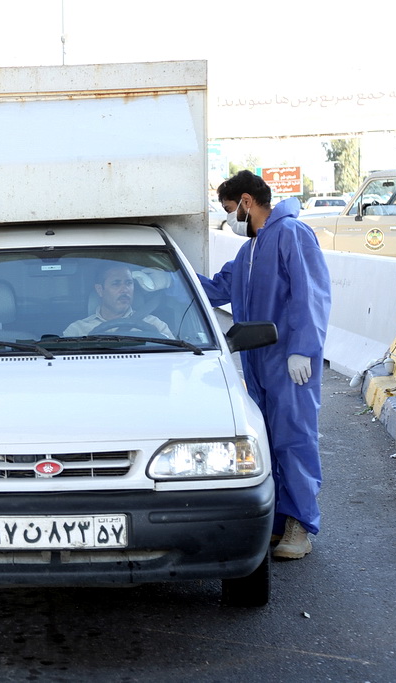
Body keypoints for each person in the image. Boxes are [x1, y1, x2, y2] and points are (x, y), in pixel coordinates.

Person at [198, 170, 331, 560]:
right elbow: (218, 288)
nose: (232, 219)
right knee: (268, 442)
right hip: (258, 362)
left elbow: (312, 294)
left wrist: (303, 349)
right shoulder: (249, 252)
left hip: (290, 362)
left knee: (294, 438)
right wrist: (168, 281)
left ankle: (300, 525)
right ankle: (276, 521)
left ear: (246, 201)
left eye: (230, 209)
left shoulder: (292, 234)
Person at [63, 263, 173, 338]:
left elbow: (174, 358)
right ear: (100, 290)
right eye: (116, 283)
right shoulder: (77, 330)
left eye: (129, 283)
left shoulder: (155, 325)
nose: (125, 289)